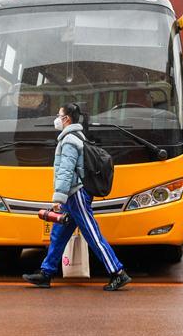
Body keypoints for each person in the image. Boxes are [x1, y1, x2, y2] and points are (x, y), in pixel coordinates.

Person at [23, 102, 131, 291]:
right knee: (58, 235)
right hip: (72, 196)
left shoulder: (70, 141)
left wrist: (58, 199)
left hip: (76, 194)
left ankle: (118, 272)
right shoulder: (73, 137)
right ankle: (46, 273)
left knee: (92, 234)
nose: (56, 119)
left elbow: (66, 171)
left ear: (67, 119)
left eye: (59, 115)